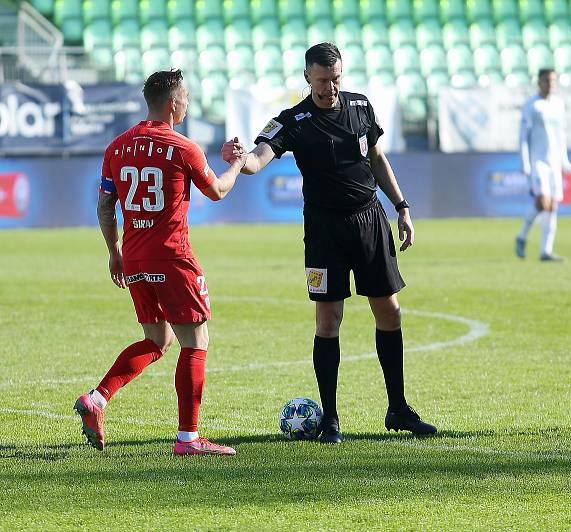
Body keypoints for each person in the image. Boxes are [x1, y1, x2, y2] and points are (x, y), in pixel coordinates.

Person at [221, 42, 436, 444]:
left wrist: (402, 207)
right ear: (307, 77)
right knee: (328, 320)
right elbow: (257, 158)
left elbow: (376, 158)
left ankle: (398, 408)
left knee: (389, 311)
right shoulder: (294, 120)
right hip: (324, 229)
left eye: (335, 79)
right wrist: (238, 158)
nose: (330, 88)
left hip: (370, 219)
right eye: (322, 80)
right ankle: (331, 420)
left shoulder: (360, 106)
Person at [74, 69, 247, 455]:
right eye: (185, 97)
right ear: (173, 104)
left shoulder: (116, 147)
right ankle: (188, 438)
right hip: (172, 256)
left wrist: (114, 252)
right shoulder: (183, 147)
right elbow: (217, 191)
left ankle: (97, 399)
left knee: (158, 339)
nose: (187, 104)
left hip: (134, 255)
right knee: (196, 340)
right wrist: (237, 164)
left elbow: (105, 205)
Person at [515, 68, 571, 262]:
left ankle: (545, 251)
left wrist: (564, 160)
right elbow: (523, 136)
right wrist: (525, 162)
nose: (551, 84)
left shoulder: (558, 104)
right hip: (538, 161)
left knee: (553, 206)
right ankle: (522, 236)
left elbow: (561, 134)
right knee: (542, 202)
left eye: (553, 80)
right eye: (547, 80)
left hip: (554, 162)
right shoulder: (532, 105)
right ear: (539, 82)